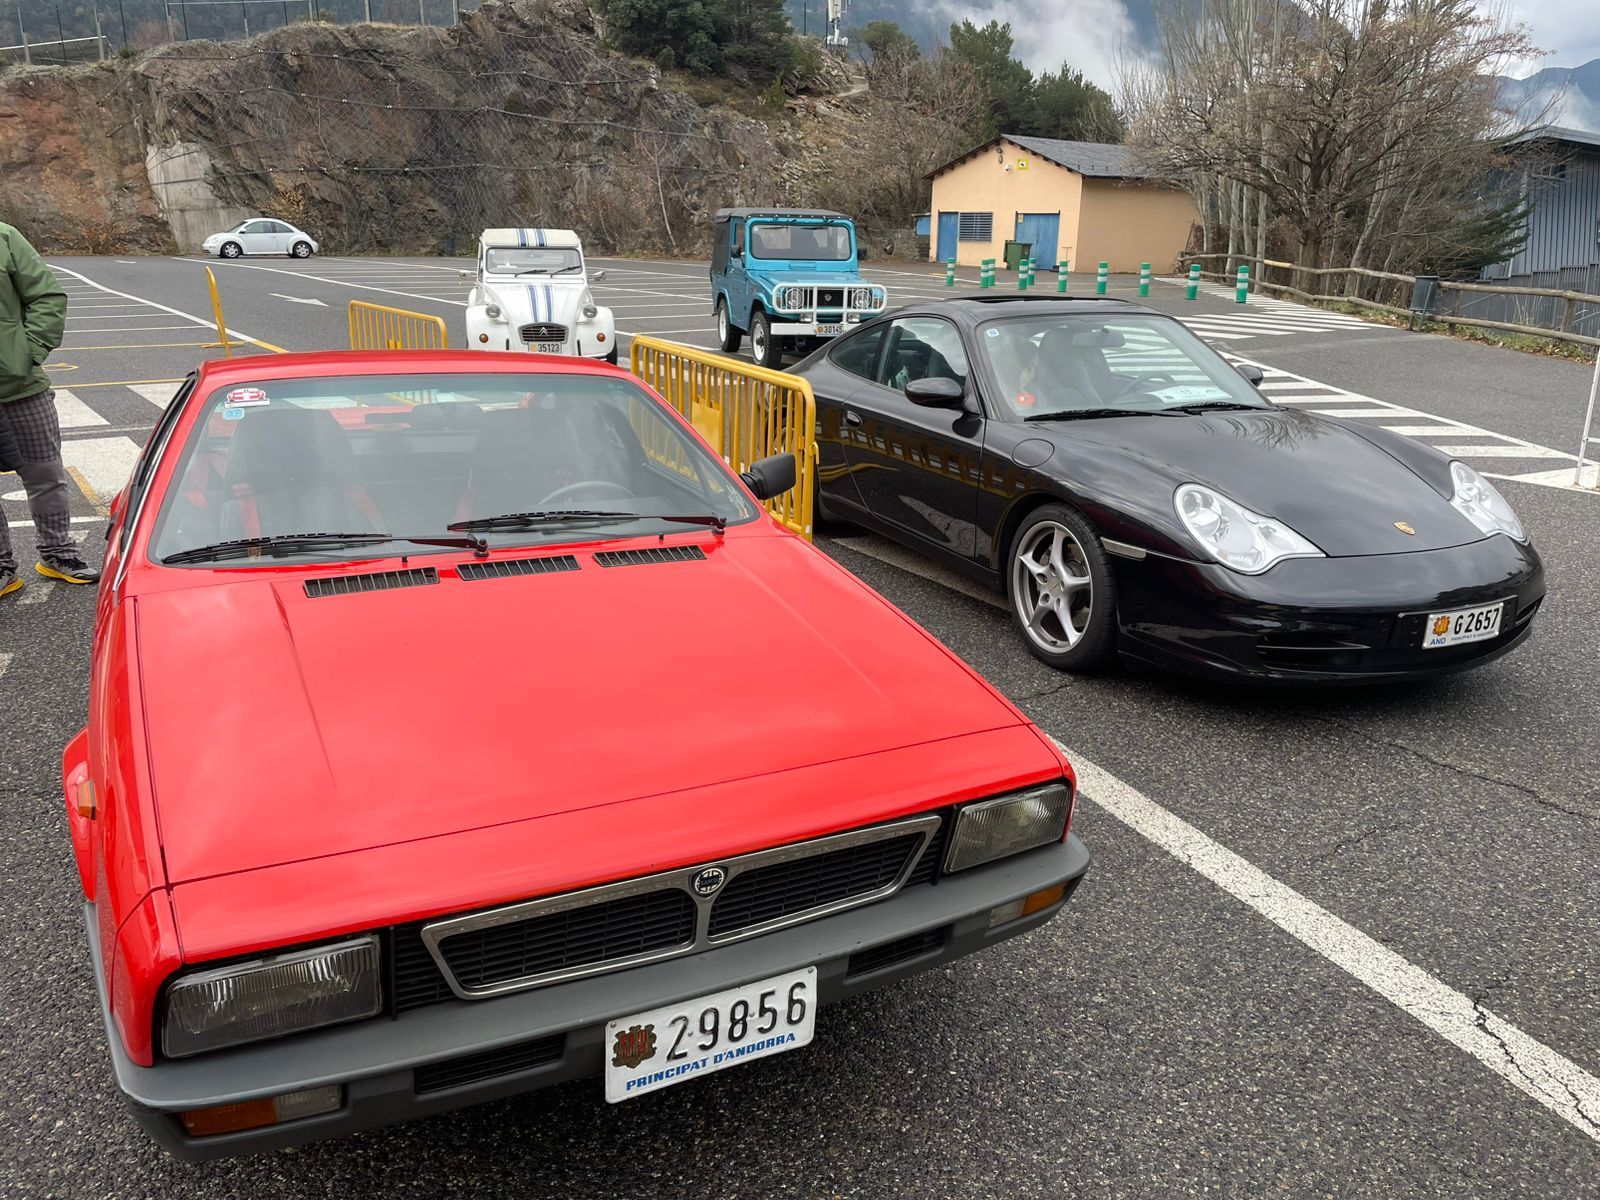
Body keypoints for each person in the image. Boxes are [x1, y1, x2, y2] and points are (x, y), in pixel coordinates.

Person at [1, 221, 95, 600]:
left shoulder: (5, 238)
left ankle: (58, 554)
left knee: (46, 475)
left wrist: (27, 353)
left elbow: (48, 297)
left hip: (21, 387)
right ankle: (2, 568)